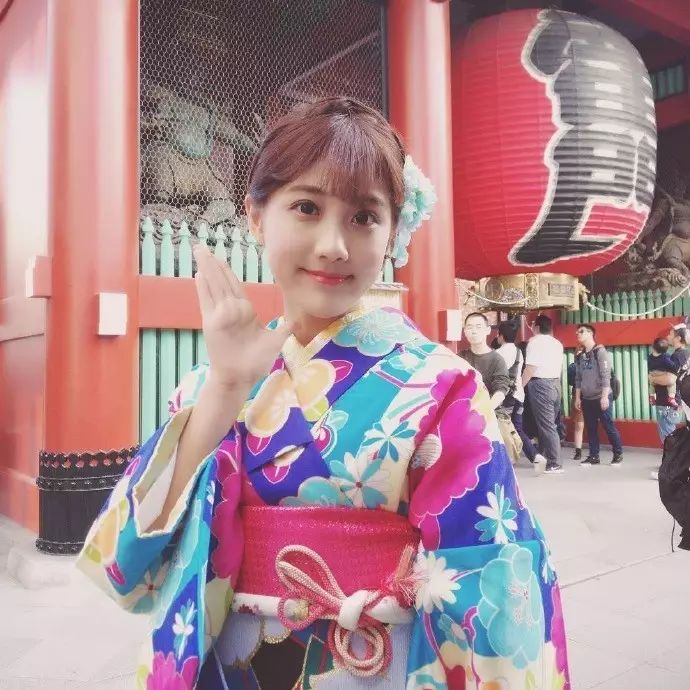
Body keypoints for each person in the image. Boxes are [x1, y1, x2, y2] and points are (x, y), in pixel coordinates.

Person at [76, 98, 569, 689]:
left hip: (376, 664)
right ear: (256, 217)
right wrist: (226, 390)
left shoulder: (443, 386)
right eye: (307, 207)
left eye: (364, 216)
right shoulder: (211, 386)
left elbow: (493, 580)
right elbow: (129, 563)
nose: (334, 244)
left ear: (392, 233)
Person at [495, 319, 546, 472]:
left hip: (505, 397)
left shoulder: (498, 354)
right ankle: (535, 456)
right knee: (516, 428)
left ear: (501, 336)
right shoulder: (518, 351)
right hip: (518, 395)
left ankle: (508, 458)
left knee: (501, 428)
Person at [574, 324, 624, 466]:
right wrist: (577, 397)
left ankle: (618, 453)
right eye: (577, 332)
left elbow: (606, 375)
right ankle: (594, 456)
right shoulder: (580, 355)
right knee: (591, 428)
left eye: (581, 331)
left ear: (590, 333)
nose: (578, 334)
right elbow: (578, 378)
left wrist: (604, 396)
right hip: (587, 398)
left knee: (608, 426)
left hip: (601, 396)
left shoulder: (600, 352)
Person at [523, 314, 564, 473]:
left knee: (547, 426)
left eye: (533, 325)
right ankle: (546, 456)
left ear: (537, 327)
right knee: (549, 423)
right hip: (555, 383)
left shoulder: (535, 342)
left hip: (541, 384)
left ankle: (554, 462)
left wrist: (520, 385)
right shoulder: (557, 343)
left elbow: (530, 368)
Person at [649, 323, 689, 479]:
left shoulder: (677, 356)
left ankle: (670, 471)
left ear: (678, 338)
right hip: (674, 402)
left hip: (667, 402)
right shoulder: (684, 355)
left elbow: (671, 379)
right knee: (671, 435)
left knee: (668, 437)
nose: (668, 336)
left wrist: (652, 378)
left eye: (671, 334)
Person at [648, 337, 679, 410]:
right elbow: (673, 366)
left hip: (653, 373)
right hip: (662, 373)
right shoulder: (665, 358)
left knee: (652, 384)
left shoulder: (649, 357)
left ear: (653, 347)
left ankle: (652, 396)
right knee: (671, 384)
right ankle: (671, 397)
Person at [567, 348, 586, 460]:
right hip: (578, 395)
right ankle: (578, 451)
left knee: (585, 425)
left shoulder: (592, 365)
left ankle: (593, 451)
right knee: (579, 424)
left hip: (590, 395)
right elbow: (571, 381)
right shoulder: (573, 367)